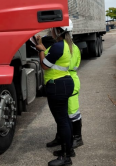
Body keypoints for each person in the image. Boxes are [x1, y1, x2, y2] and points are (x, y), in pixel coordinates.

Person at [36, 24, 75, 166]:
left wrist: (40, 50)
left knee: (62, 120)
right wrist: (42, 46)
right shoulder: (65, 45)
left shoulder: (58, 46)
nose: (51, 30)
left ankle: (66, 157)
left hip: (58, 85)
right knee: (65, 118)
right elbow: (52, 58)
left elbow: (45, 65)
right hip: (64, 83)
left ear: (58, 31)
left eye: (53, 28)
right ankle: (68, 150)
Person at [46, 27, 84, 155]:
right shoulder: (68, 46)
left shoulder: (69, 48)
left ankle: (77, 138)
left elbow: (52, 62)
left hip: (67, 79)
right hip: (67, 79)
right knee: (63, 114)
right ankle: (61, 138)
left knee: (72, 113)